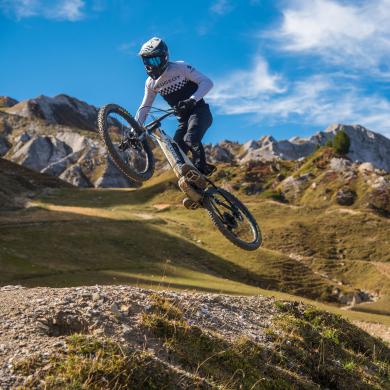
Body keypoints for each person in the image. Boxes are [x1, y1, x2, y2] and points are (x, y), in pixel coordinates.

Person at [135, 37, 216, 177]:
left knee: (190, 139)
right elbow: (145, 107)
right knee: (175, 151)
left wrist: (192, 100)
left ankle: (201, 171)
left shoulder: (180, 67)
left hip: (200, 112)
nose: (150, 65)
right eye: (146, 61)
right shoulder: (150, 83)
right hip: (183, 120)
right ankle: (197, 191)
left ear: (164, 57)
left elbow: (207, 82)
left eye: (153, 60)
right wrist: (133, 130)